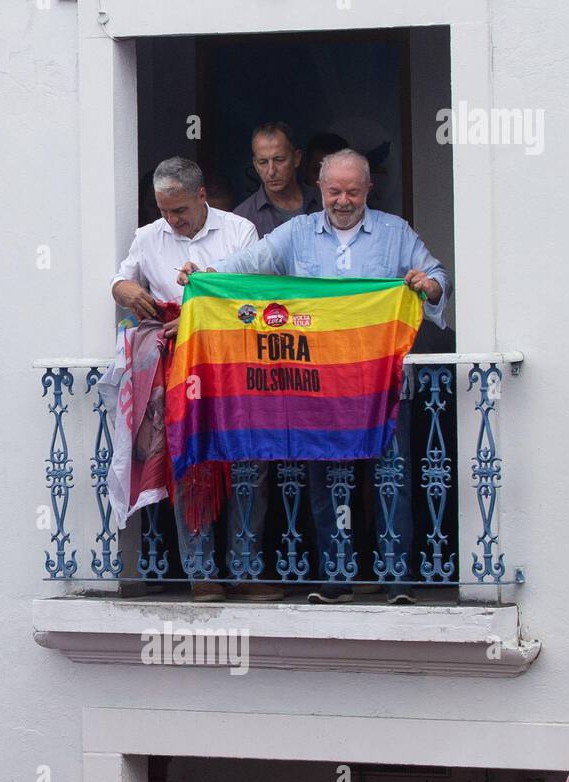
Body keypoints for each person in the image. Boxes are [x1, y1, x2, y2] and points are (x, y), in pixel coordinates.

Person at [179, 148, 452, 603]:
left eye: (352, 191)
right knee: (327, 480)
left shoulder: (394, 232)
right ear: (320, 189)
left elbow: (437, 273)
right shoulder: (299, 232)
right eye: (333, 191)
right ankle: (336, 579)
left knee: (392, 476)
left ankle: (397, 578)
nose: (342, 201)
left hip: (381, 383)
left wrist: (429, 285)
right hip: (319, 386)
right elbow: (250, 262)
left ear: (368, 190)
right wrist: (205, 276)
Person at [112, 157, 278, 600]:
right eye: (164, 210)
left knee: (247, 465)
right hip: (177, 368)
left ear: (202, 196)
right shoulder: (148, 237)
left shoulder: (239, 231)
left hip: (231, 363)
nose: (172, 220)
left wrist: (199, 311)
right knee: (189, 465)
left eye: (180, 210)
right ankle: (200, 573)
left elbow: (253, 298)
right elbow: (123, 280)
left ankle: (246, 571)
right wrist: (122, 288)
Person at [234, 122, 322, 238]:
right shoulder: (242, 218)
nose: (271, 171)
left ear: (296, 158)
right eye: (263, 162)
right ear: (255, 164)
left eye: (279, 160)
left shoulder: (324, 202)